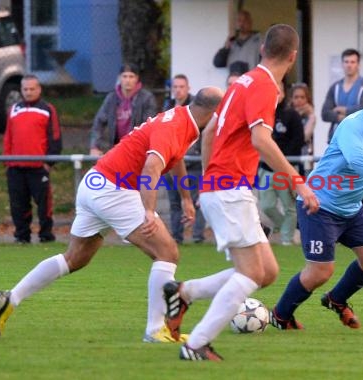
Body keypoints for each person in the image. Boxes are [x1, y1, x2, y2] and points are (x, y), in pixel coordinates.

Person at [0, 87, 224, 343]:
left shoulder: (182, 118)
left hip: (95, 183)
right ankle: (156, 331)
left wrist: (186, 197)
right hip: (114, 189)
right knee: (167, 252)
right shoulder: (176, 127)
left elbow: (174, 157)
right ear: (215, 112)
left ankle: (11, 298)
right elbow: (151, 167)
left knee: (75, 258)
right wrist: (147, 211)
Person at [162, 23, 319, 362]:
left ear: (262, 49)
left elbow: (209, 134)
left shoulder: (242, 82)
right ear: (293, 57)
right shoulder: (264, 86)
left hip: (227, 188)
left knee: (267, 272)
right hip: (230, 190)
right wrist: (299, 182)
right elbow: (262, 141)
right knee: (249, 274)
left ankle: (184, 292)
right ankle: (196, 344)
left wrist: (207, 181)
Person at [269, 87, 363, 331]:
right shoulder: (353, 125)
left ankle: (336, 299)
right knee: (320, 271)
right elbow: (357, 161)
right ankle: (280, 315)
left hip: (350, 208)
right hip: (319, 204)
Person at [321, 48, 363, 226]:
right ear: (342, 64)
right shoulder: (335, 87)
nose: (349, 65)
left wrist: (343, 110)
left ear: (358, 64)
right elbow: (325, 112)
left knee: (362, 184)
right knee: (336, 182)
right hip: (337, 143)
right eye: (346, 62)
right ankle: (338, 223)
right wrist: (342, 115)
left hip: (359, 142)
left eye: (353, 62)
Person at [3, 74, 62, 244]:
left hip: (38, 166)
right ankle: (22, 236)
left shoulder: (47, 109)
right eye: (25, 89)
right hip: (15, 167)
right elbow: (8, 137)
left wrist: (48, 162)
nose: (28, 92)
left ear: (39, 89)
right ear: (21, 90)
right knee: (18, 204)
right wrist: (7, 162)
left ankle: (46, 235)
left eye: (32, 89)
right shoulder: (14, 109)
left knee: (43, 203)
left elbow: (55, 137)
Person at [258, 80, 304, 245]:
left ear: (285, 93)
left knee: (289, 206)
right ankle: (284, 226)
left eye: (279, 91)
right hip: (265, 169)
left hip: (284, 168)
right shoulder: (261, 114)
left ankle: (287, 239)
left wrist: (281, 160)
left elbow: (298, 141)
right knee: (266, 206)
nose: (276, 94)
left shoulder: (292, 115)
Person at [163, 74, 205, 244]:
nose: (178, 90)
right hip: (171, 160)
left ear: (188, 88)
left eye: (181, 87)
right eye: (175, 87)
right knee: (174, 201)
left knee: (196, 201)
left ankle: (197, 236)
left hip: (193, 161)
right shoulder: (167, 107)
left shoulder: (195, 108)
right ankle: (177, 236)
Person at [89, 63, 157, 156]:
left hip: (138, 150)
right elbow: (99, 122)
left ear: (137, 78)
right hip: (115, 149)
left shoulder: (146, 98)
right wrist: (94, 146)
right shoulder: (111, 98)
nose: (127, 80)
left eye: (131, 77)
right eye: (124, 76)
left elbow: (149, 126)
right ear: (119, 78)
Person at [290, 83, 317, 175]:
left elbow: (305, 136)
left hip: (305, 157)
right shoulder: (287, 115)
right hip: (290, 156)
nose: (299, 100)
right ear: (291, 99)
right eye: (296, 97)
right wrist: (298, 114)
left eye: (302, 97)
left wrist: (311, 116)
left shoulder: (310, 116)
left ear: (307, 99)